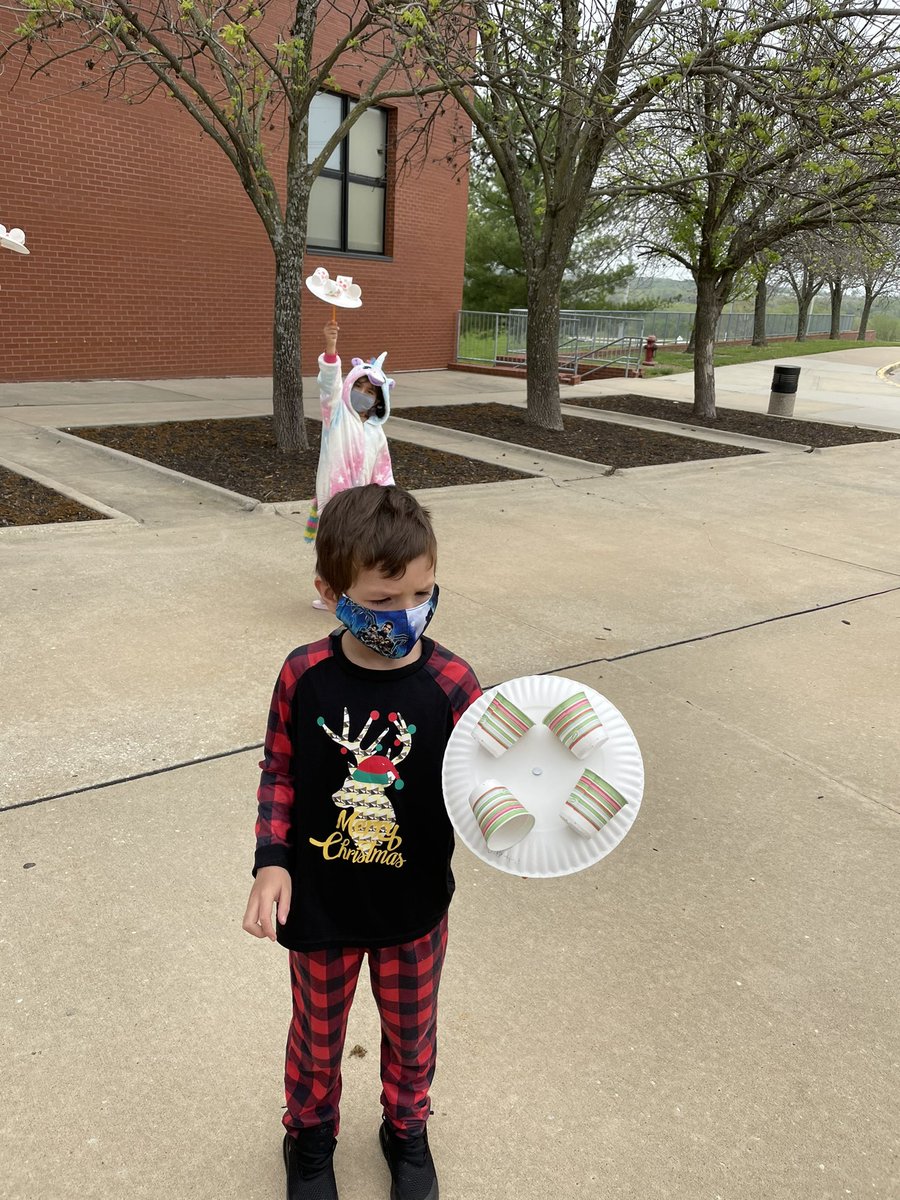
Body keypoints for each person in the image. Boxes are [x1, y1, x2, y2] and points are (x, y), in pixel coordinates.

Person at [243, 484, 482, 1200]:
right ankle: (310, 1135)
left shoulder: (452, 682)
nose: (404, 614)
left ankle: (405, 1129)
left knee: (412, 1036)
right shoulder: (304, 675)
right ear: (330, 590)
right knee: (317, 1038)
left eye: (421, 593)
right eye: (381, 602)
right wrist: (272, 862)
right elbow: (280, 769)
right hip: (322, 907)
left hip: (414, 907)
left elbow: (489, 773)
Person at [306, 321, 395, 609]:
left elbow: (383, 472)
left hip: (362, 504)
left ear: (378, 401)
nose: (363, 393)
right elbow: (328, 383)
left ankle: (351, 593)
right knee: (331, 546)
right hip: (335, 499)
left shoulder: (376, 433)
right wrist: (330, 349)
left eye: (370, 391)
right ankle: (329, 591)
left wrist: (388, 502)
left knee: (357, 549)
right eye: (358, 385)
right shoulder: (336, 414)